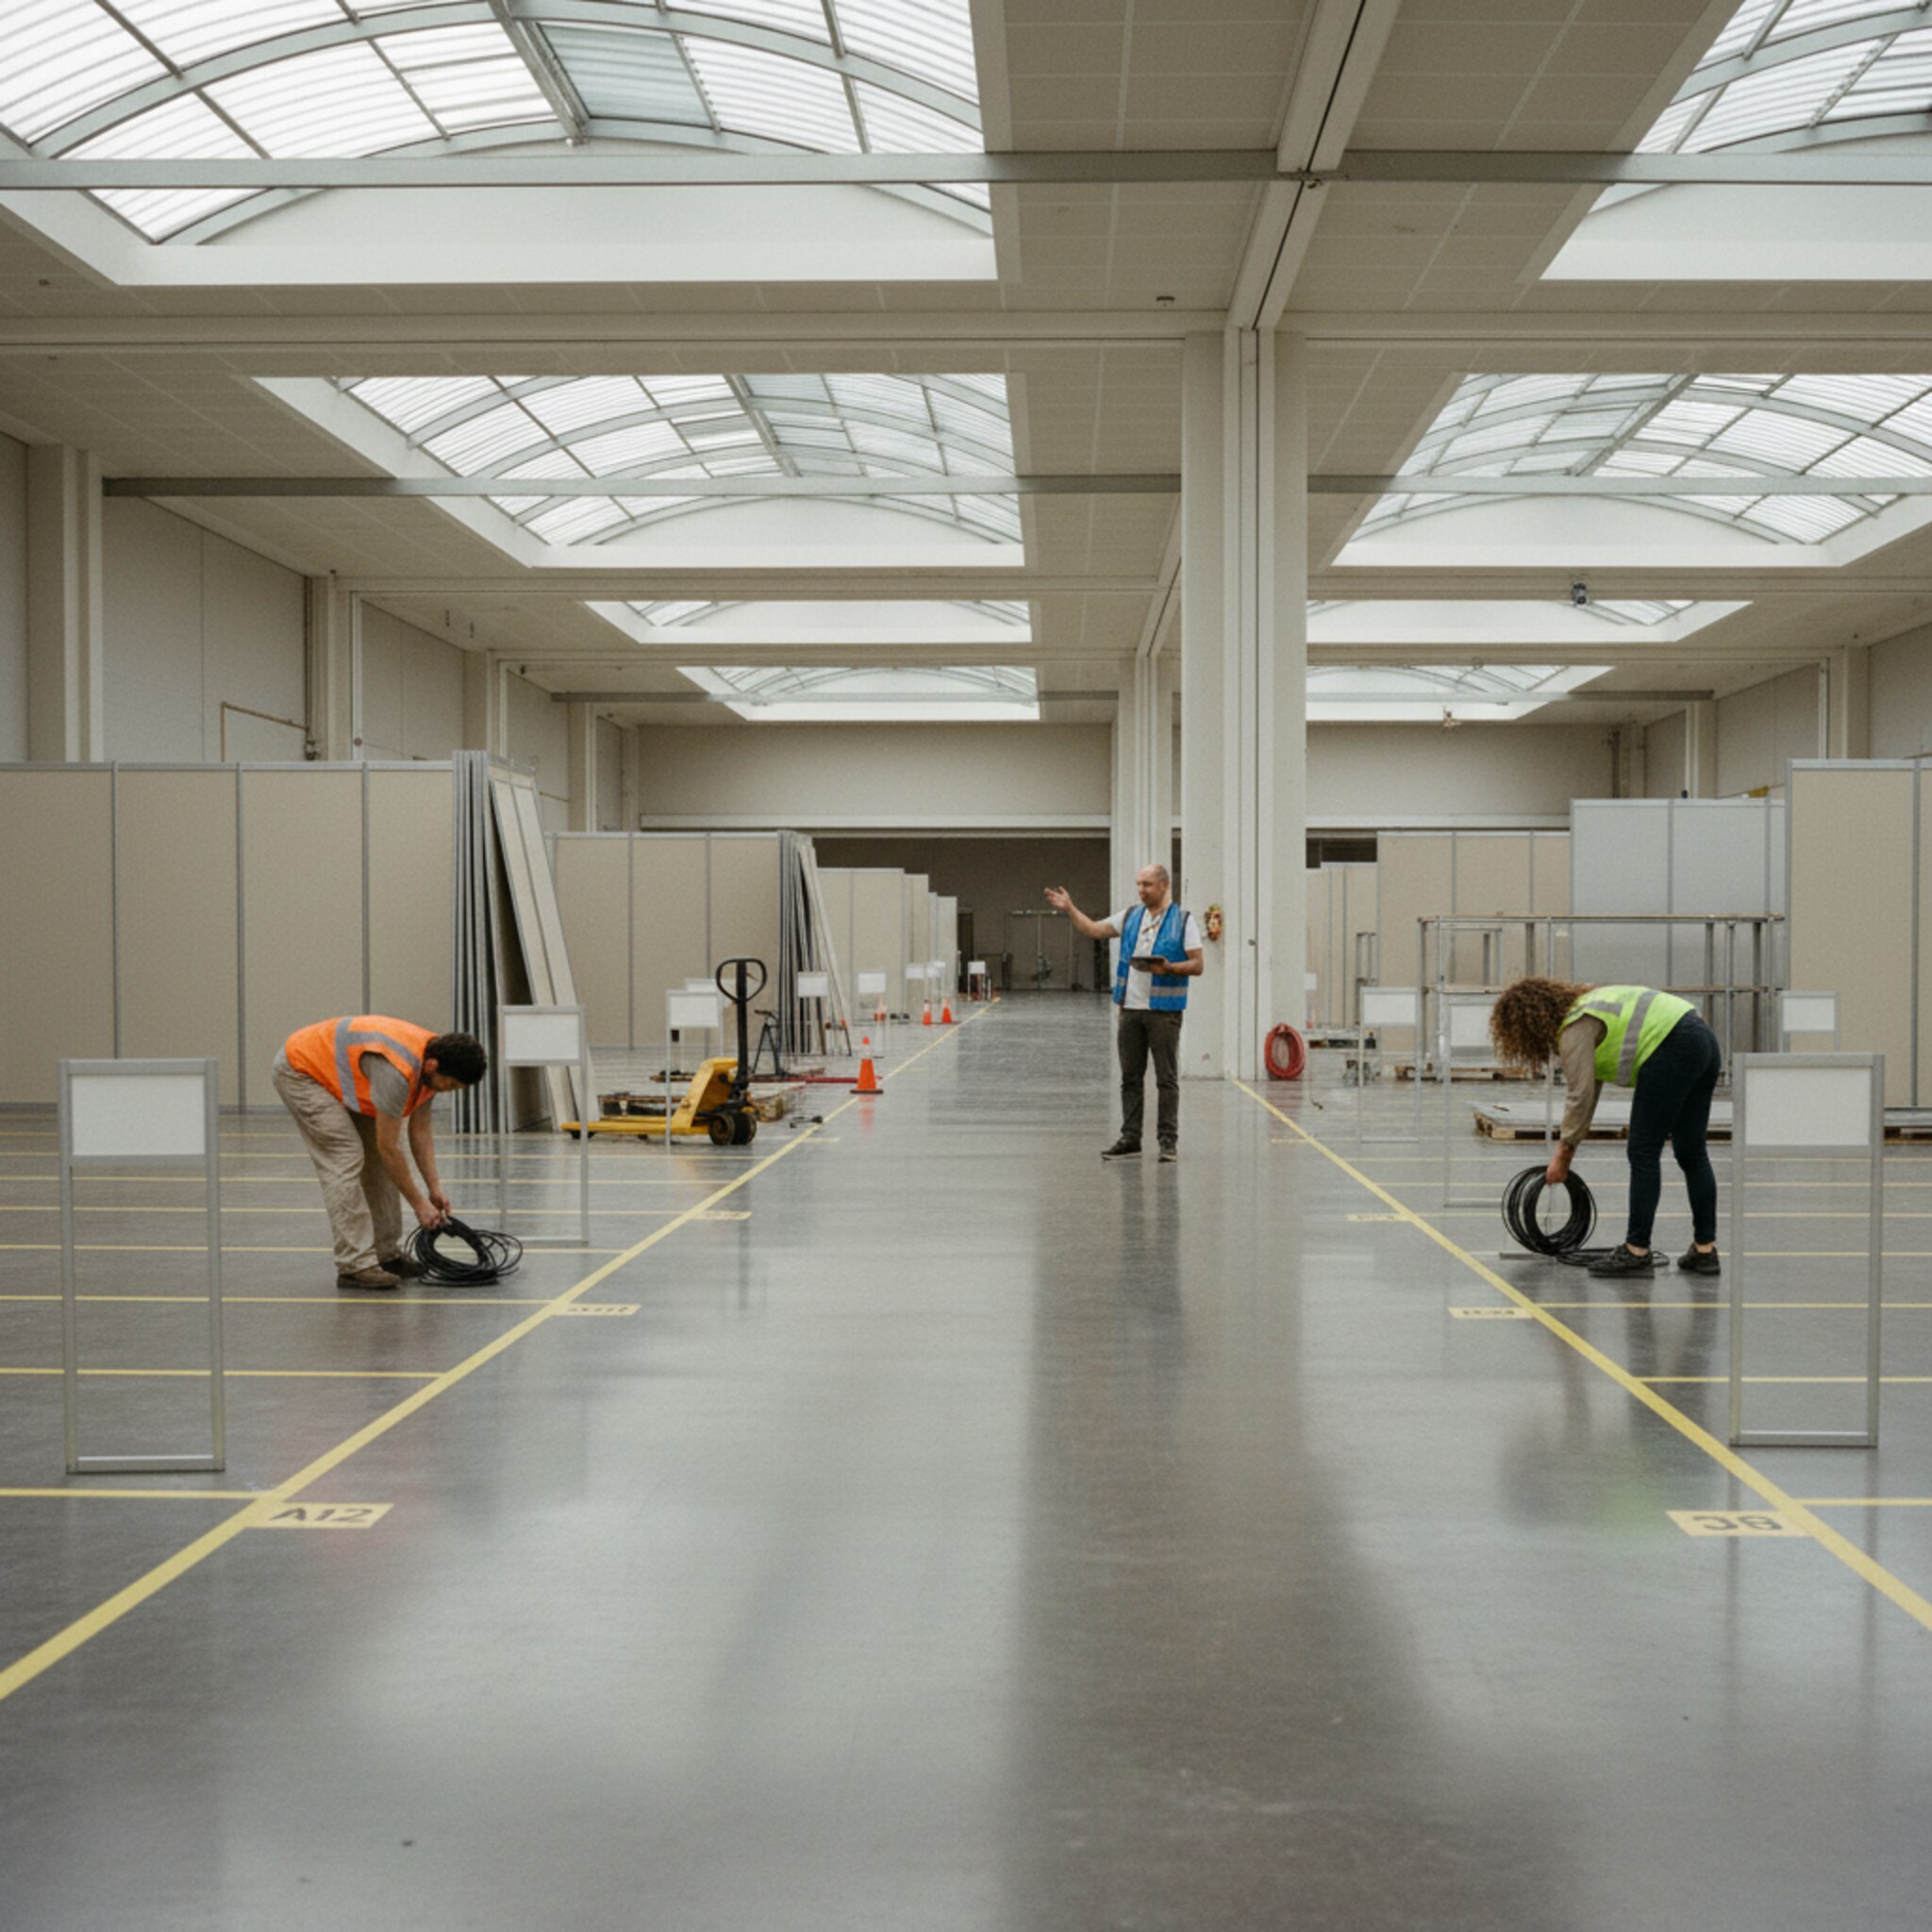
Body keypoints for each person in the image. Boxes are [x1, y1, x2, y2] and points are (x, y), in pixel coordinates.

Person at [1489, 977, 1723, 1277]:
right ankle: (1705, 1251)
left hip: (1672, 1045)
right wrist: (1572, 1143)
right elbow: (1591, 1091)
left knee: (1642, 1150)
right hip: (1703, 1039)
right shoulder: (1595, 1005)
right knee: (1692, 1151)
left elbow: (1580, 1096)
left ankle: (1636, 1251)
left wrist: (1563, 1155)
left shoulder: (1574, 1028)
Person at [273, 1015, 489, 1291]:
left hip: (342, 1074)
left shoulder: (433, 1062)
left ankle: (386, 1255)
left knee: (377, 1162)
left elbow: (420, 1133)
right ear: (434, 1066)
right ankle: (354, 1265)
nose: (450, 1091)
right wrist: (419, 1205)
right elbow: (390, 1148)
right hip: (301, 1071)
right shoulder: (398, 1071)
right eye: (451, 1085)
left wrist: (434, 1189)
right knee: (346, 1157)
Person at [1044, 866, 1205, 1163]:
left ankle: (1167, 1141)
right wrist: (1070, 908)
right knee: (1130, 1078)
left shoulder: (1183, 921)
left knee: (1166, 1079)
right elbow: (1093, 929)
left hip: (1164, 1013)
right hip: (1130, 1011)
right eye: (1138, 884)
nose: (1141, 890)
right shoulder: (1131, 916)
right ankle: (1131, 1138)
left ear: (1164, 886)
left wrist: (1169, 967)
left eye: (1147, 884)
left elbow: (1197, 964)